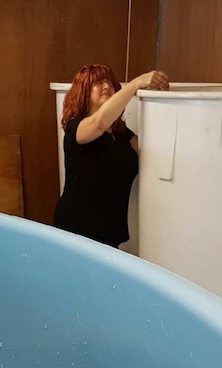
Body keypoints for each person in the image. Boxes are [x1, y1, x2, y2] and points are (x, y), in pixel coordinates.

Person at [54, 64, 170, 248]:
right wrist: (136, 84)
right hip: (77, 228)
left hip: (109, 231)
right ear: (83, 91)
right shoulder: (76, 127)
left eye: (109, 82)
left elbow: (151, 151)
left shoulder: (121, 133)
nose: (106, 86)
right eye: (98, 83)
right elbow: (99, 122)